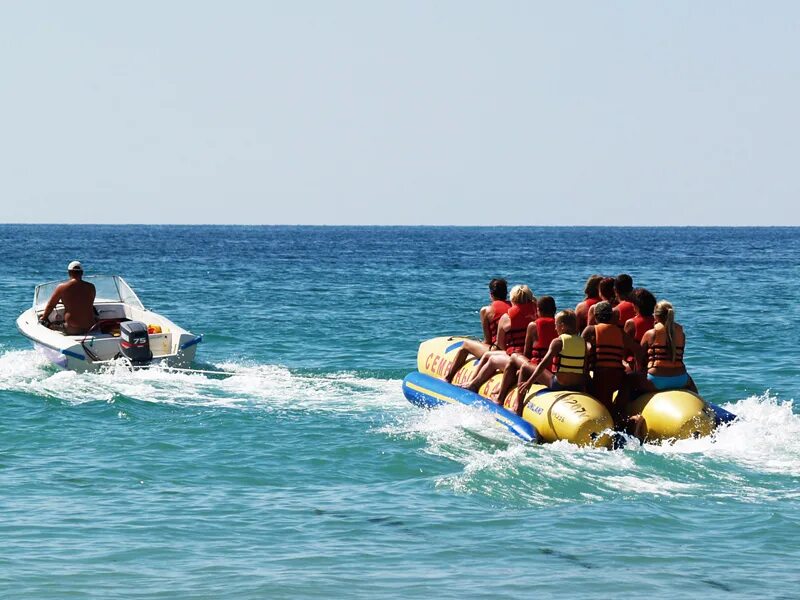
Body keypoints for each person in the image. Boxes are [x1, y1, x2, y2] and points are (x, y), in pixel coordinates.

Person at [459, 285, 537, 392]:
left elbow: (501, 345)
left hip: (517, 358)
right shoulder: (537, 313)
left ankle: (474, 384)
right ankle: (472, 382)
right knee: (488, 355)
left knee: (491, 359)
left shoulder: (507, 318)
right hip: (533, 359)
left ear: (512, 299)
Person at [512, 310, 590, 415]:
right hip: (577, 386)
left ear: (562, 326)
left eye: (556, 325)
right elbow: (584, 368)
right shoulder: (583, 342)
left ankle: (518, 405)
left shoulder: (558, 341)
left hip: (559, 384)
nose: (555, 328)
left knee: (525, 367)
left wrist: (529, 382)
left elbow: (543, 364)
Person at [582, 300, 643, 421]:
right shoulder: (620, 332)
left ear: (595, 317)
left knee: (600, 400)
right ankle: (625, 416)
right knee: (623, 388)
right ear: (611, 317)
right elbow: (638, 350)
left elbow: (578, 348)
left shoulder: (590, 330)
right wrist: (639, 367)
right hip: (617, 376)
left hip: (600, 376)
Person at [493, 296, 557, 405]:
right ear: (555, 310)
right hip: (554, 373)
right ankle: (501, 391)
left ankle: (502, 398)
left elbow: (527, 354)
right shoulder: (559, 326)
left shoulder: (533, 325)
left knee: (515, 359)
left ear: (538, 310)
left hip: (538, 373)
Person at [444, 278, 511, 383]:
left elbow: (488, 340)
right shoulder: (513, 307)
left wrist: (477, 347)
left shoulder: (486, 310)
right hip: (512, 349)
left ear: (491, 294)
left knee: (466, 345)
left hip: (497, 350)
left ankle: (448, 378)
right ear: (506, 293)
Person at [39, 261, 97, 335]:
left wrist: (44, 318)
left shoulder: (62, 287)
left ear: (69, 273)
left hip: (72, 329)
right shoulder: (91, 287)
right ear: (82, 273)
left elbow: (51, 305)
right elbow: (87, 302)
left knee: (47, 324)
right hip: (90, 327)